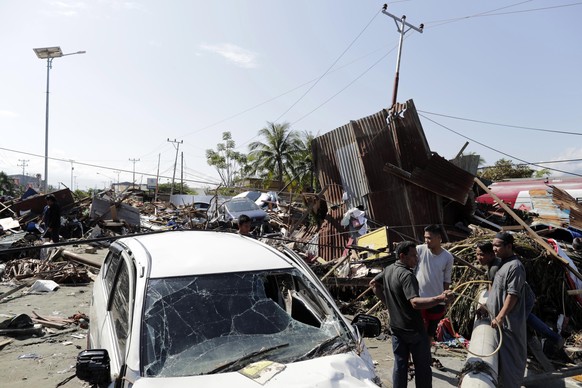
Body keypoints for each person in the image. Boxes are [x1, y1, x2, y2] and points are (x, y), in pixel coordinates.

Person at [370, 241, 453, 388]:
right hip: (413, 329)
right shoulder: (407, 275)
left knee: (400, 364)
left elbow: (374, 284)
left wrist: (389, 304)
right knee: (422, 366)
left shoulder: (389, 269)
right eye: (413, 256)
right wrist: (440, 298)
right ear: (402, 256)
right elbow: (415, 302)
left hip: (396, 327)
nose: (417, 259)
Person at [476, 241, 564, 350]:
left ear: (491, 254)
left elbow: (505, 293)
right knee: (525, 318)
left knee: (519, 320)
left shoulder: (495, 267)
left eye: (482, 255)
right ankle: (554, 338)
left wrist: (493, 311)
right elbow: (492, 289)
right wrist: (487, 305)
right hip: (520, 296)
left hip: (522, 298)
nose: (479, 258)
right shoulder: (493, 265)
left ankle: (554, 339)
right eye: (477, 254)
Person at [487, 232, 528, 388]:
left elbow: (513, 295)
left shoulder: (515, 267)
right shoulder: (502, 263)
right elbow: (497, 291)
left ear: (509, 246)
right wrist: (486, 309)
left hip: (508, 325)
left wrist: (500, 316)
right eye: (493, 245)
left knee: (510, 362)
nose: (494, 248)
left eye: (497, 245)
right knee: (501, 363)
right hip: (499, 323)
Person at [414, 224, 454, 369]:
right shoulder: (419, 250)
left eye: (429, 238)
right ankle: (417, 357)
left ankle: (426, 356)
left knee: (430, 331)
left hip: (437, 301)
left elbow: (447, 280)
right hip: (419, 299)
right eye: (425, 238)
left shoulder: (447, 257)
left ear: (439, 238)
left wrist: (446, 298)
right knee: (418, 330)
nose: (426, 241)